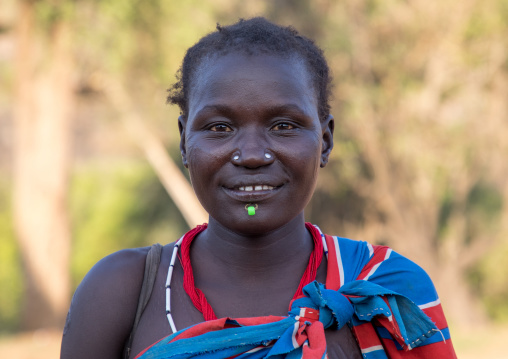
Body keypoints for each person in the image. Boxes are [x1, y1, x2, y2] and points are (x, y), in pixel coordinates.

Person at [60, 17, 457, 359]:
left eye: (283, 125)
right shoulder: (122, 291)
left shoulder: (385, 289)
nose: (251, 155)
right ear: (184, 142)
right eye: (220, 128)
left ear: (325, 141)